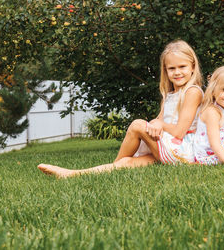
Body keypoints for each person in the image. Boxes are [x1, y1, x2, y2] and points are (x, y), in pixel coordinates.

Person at [38, 40, 204, 178]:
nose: (177, 72)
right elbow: (161, 120)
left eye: (182, 67)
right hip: (168, 146)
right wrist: (156, 122)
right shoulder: (170, 94)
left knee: (138, 125)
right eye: (172, 68)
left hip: (182, 151)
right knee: (126, 163)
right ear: (165, 70)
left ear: (192, 67)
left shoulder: (193, 92)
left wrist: (159, 125)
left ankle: (108, 167)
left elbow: (179, 132)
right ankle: (73, 174)